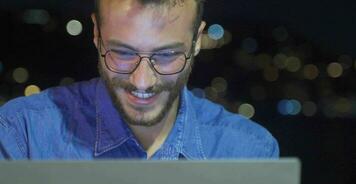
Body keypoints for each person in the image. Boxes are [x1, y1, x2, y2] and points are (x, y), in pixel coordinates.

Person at [0, 0, 279, 159]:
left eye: (167, 55)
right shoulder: (23, 133)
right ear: (96, 33)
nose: (142, 81)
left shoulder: (249, 151)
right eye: (122, 53)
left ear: (196, 40)